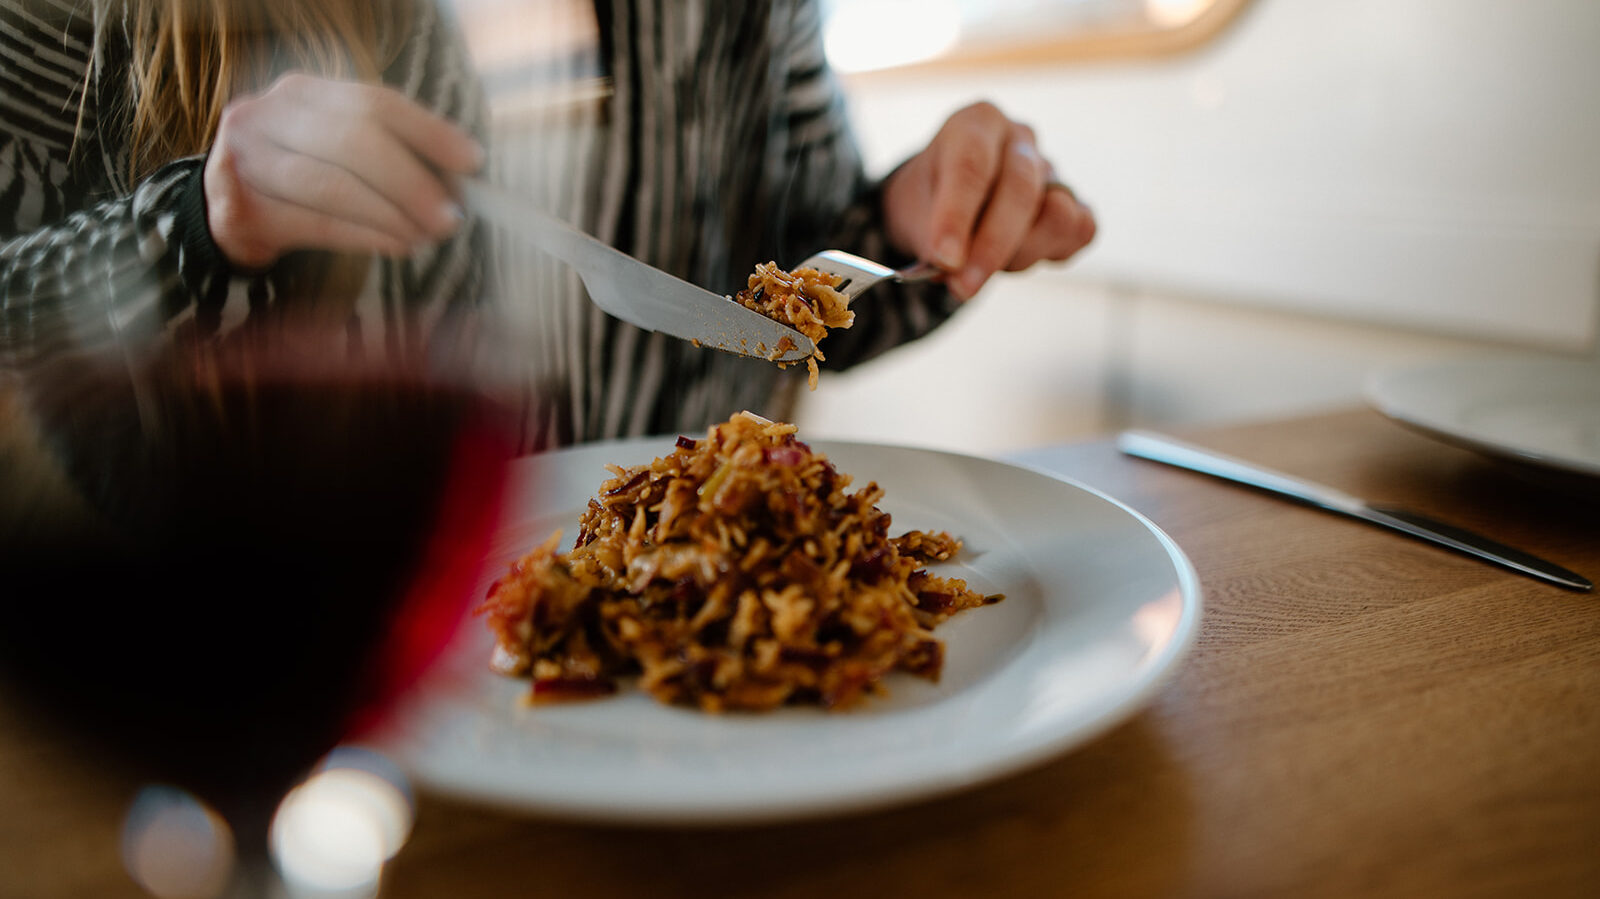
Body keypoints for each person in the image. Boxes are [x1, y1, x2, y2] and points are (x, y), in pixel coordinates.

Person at [0, 0, 1094, 461]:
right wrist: (193, 227)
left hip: (673, 674)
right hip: (260, 667)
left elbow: (788, 307)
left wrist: (913, 219)